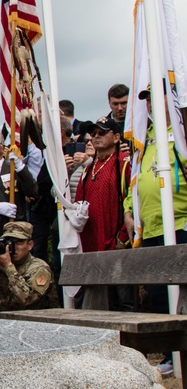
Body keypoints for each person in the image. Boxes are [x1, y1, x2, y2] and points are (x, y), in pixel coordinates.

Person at [123, 89, 187, 375]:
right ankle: (173, 356)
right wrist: (128, 209)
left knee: (183, 295)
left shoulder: (181, 134)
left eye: (156, 98)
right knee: (160, 295)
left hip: (180, 224)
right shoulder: (145, 138)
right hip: (150, 227)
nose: (150, 104)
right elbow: (136, 179)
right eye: (147, 100)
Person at [74, 118, 132, 310]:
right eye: (93, 133)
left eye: (102, 132)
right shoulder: (88, 168)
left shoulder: (123, 163)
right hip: (93, 246)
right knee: (100, 304)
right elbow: (80, 205)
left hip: (116, 244)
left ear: (116, 137)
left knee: (123, 302)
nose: (96, 136)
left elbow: (131, 201)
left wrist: (123, 237)